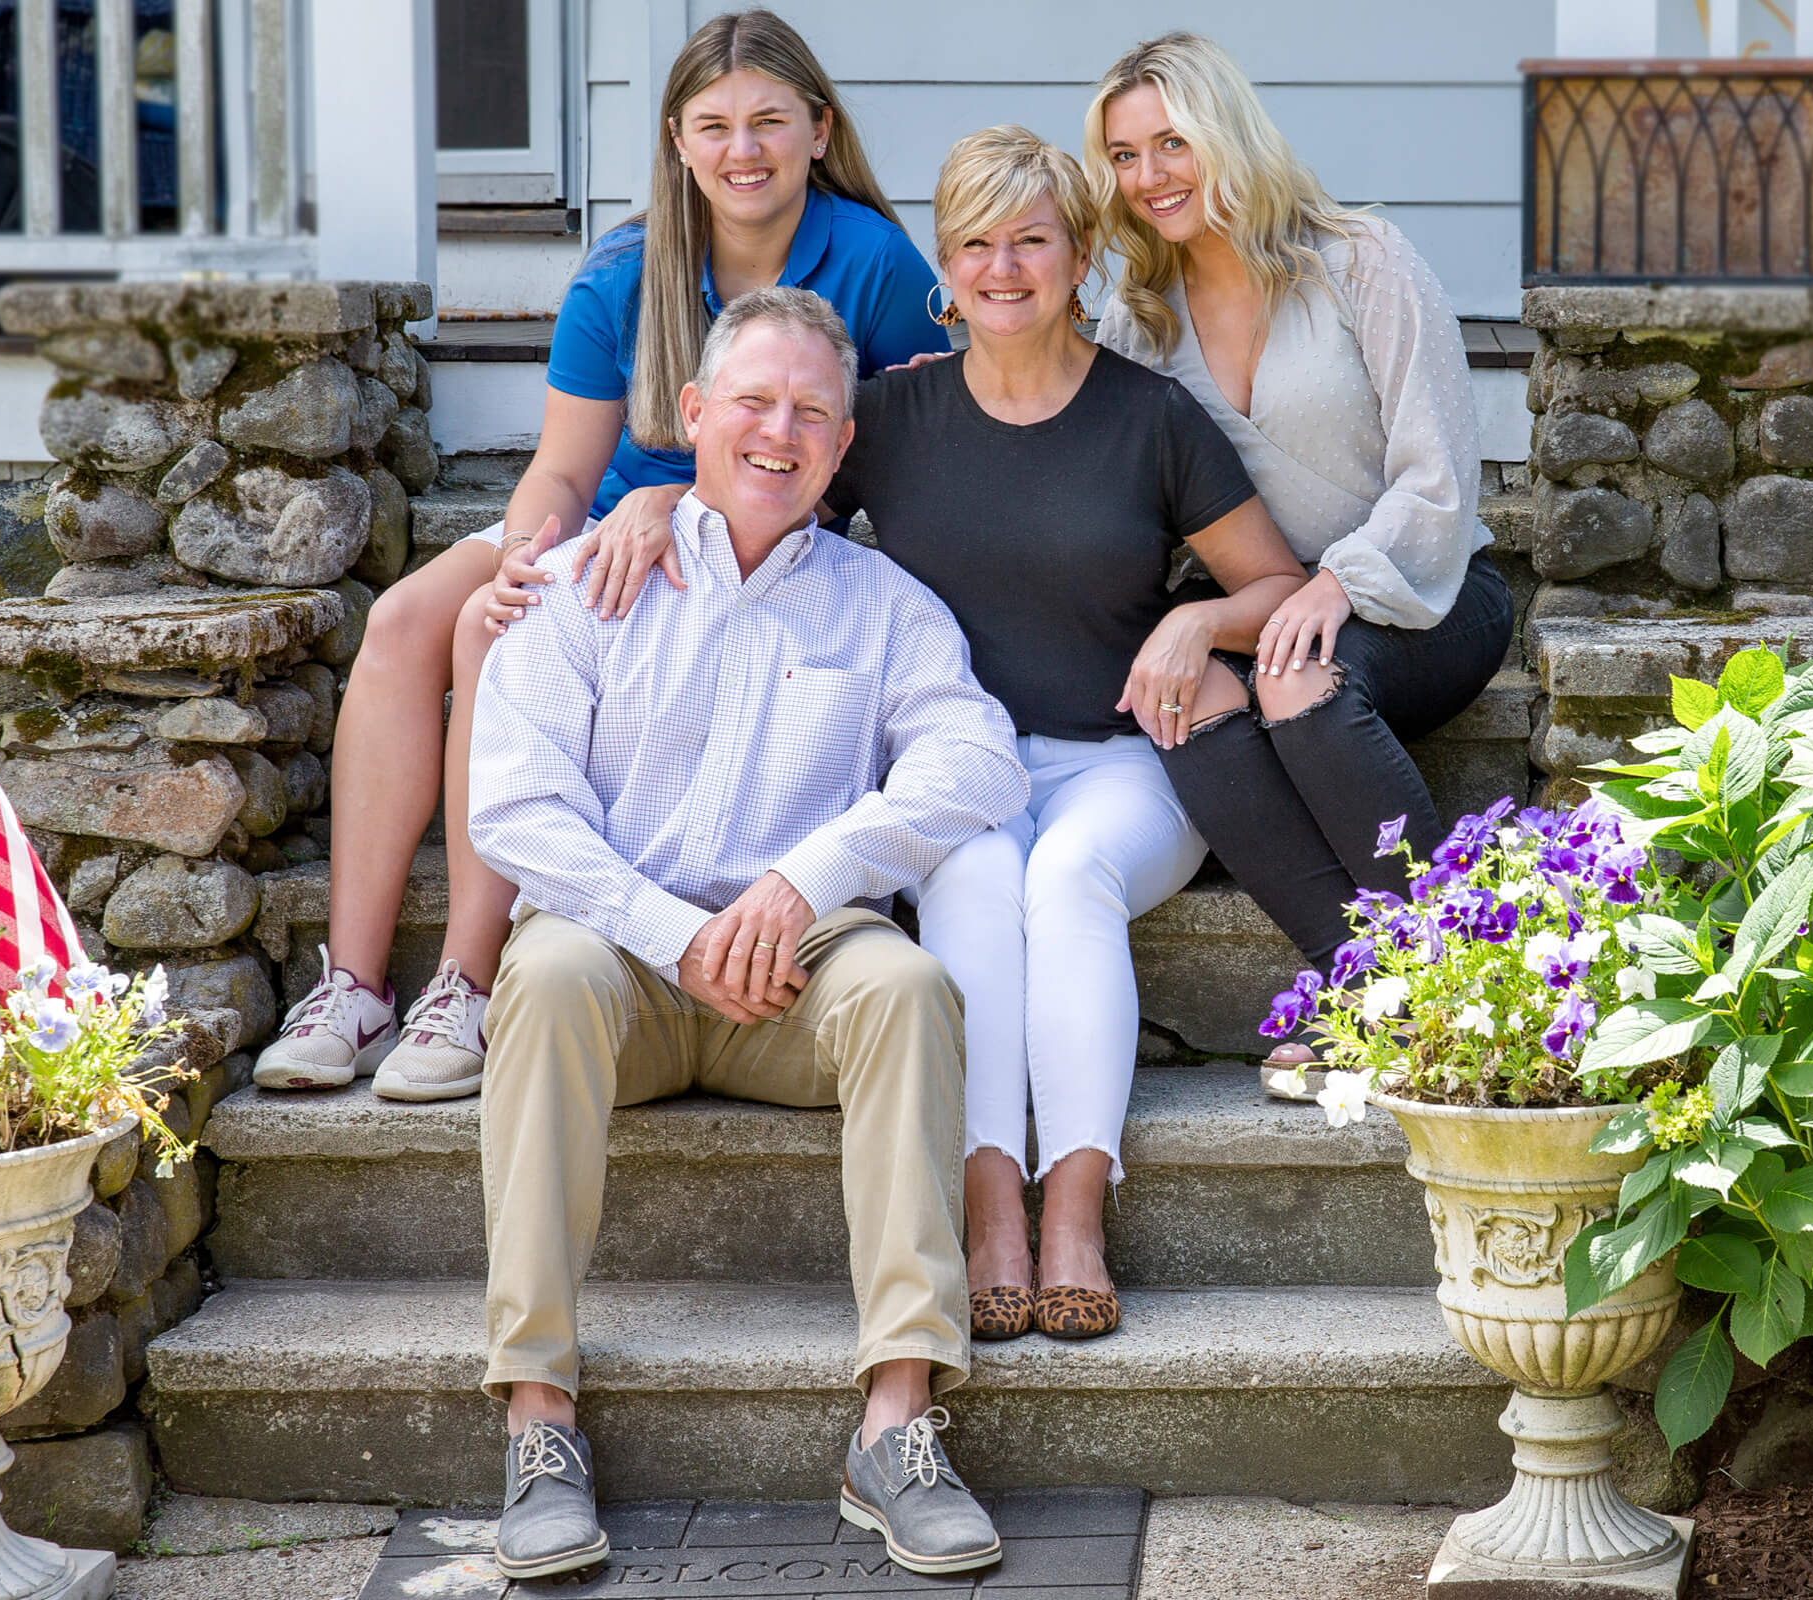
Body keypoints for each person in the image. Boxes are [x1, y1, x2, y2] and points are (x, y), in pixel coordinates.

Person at [530, 128, 1306, 1343]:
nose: (1005, 269)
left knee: (1067, 874)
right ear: (941, 264)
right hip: (954, 768)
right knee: (979, 877)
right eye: (976, 244)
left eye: (1032, 240)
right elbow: (764, 478)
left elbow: (1281, 587)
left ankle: (1076, 1214)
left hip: (1120, 762)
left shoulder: (1152, 419)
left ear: (1082, 254)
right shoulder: (890, 415)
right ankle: (991, 1203)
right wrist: (648, 495)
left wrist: (1200, 620)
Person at [252, 8, 945, 1102]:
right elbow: (565, 472)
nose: (742, 150)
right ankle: (352, 982)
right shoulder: (626, 265)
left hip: (746, 528)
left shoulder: (875, 263)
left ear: (819, 130)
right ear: (675, 139)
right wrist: (528, 558)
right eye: (713, 125)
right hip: (601, 526)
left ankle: (469, 984)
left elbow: (862, 464)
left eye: (769, 122)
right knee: (408, 622)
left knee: (501, 646)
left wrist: (680, 498)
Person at [467, 288, 1026, 1582]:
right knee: (540, 971)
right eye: (756, 403)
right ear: (696, 416)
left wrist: (805, 878)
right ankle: (539, 1416)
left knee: (909, 986)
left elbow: (978, 761)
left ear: (841, 447)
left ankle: (896, 1424)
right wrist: (673, 931)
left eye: (813, 414)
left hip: (800, 977)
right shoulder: (583, 581)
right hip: (622, 964)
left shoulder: (884, 608)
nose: (781, 432)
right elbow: (513, 806)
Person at [1088, 32, 1515, 1093]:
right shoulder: (1139, 319)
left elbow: (1439, 481)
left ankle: (1452, 964)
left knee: (1292, 675)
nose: (1150, 177)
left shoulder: (1361, 258)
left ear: (1224, 132)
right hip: (1261, 606)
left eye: (1171, 143)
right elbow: (1082, 446)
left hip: (1423, 593)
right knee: (1187, 693)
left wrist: (1335, 585)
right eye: (1126, 156)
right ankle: (1365, 979)